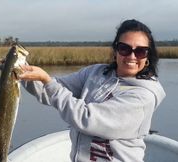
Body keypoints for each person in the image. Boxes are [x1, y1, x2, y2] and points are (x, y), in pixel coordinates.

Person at [19, 19, 166, 162]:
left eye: (140, 51)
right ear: (115, 51)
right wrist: (19, 68)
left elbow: (86, 118)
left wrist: (47, 81)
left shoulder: (143, 96)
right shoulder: (95, 73)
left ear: (147, 56)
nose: (132, 56)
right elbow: (52, 90)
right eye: (124, 48)